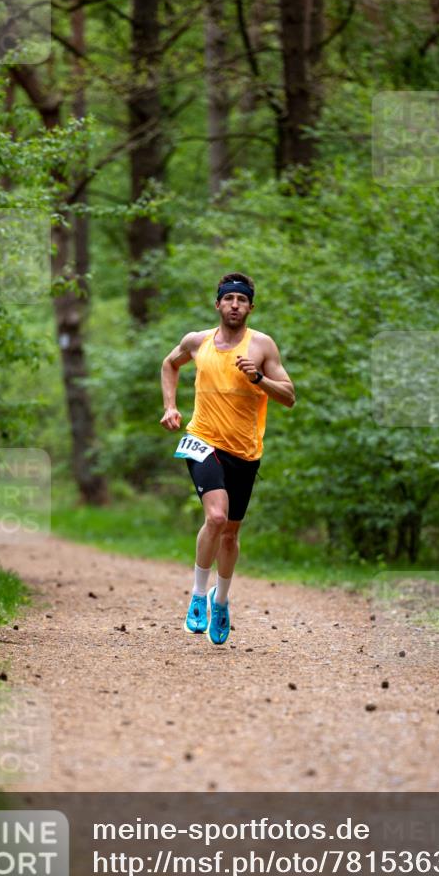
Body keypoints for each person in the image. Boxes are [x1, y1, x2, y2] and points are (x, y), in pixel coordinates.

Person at [160, 272, 295, 646]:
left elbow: (289, 396)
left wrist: (259, 381)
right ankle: (198, 596)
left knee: (231, 534)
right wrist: (170, 407)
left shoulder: (262, 346)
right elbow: (169, 364)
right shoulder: (197, 341)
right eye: (228, 299)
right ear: (217, 304)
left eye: (241, 300)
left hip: (245, 451)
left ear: (251, 307)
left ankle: (221, 601)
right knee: (216, 517)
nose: (235, 305)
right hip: (201, 439)